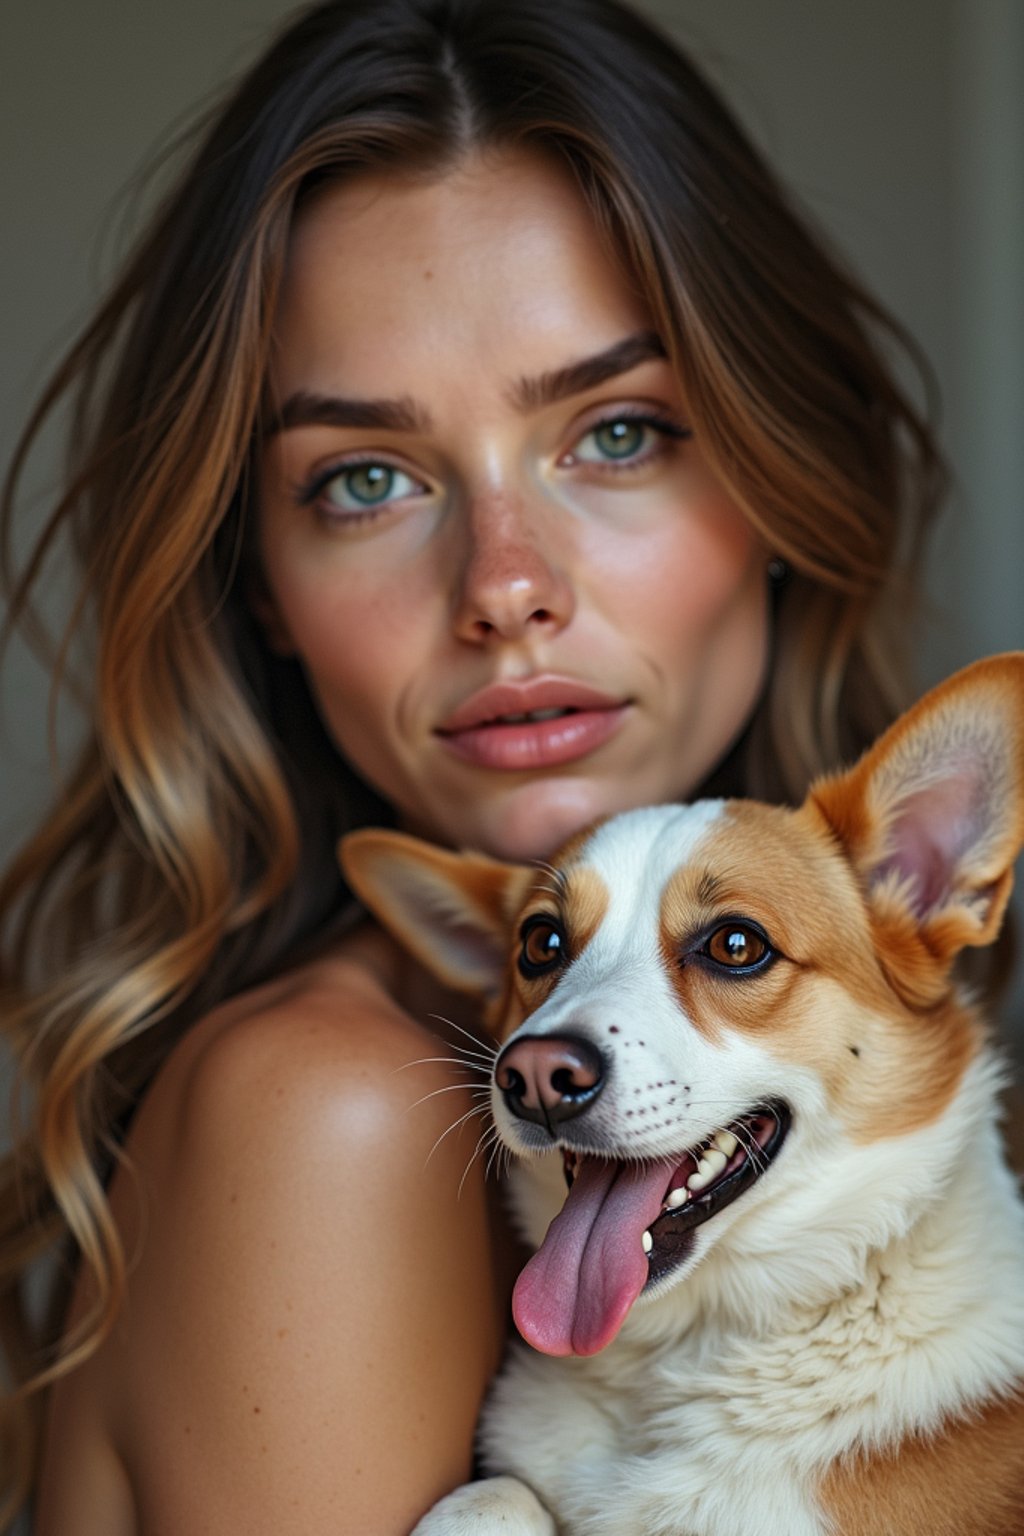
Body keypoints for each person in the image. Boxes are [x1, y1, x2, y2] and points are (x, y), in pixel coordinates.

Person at [0, 1, 951, 1530]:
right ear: (259, 583)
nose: (505, 584)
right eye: (366, 479)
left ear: (778, 481)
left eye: (619, 433)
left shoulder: (855, 1092)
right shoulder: (340, 1119)